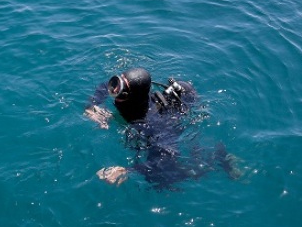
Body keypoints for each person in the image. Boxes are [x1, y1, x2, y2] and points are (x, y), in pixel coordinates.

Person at [84, 67, 241, 189]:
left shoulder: (152, 124)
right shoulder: (128, 94)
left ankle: (223, 158)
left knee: (163, 179)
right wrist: (93, 105)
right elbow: (106, 86)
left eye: (119, 90)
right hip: (161, 101)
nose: (114, 91)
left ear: (130, 97)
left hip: (174, 119)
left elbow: (166, 159)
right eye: (116, 84)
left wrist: (128, 170)